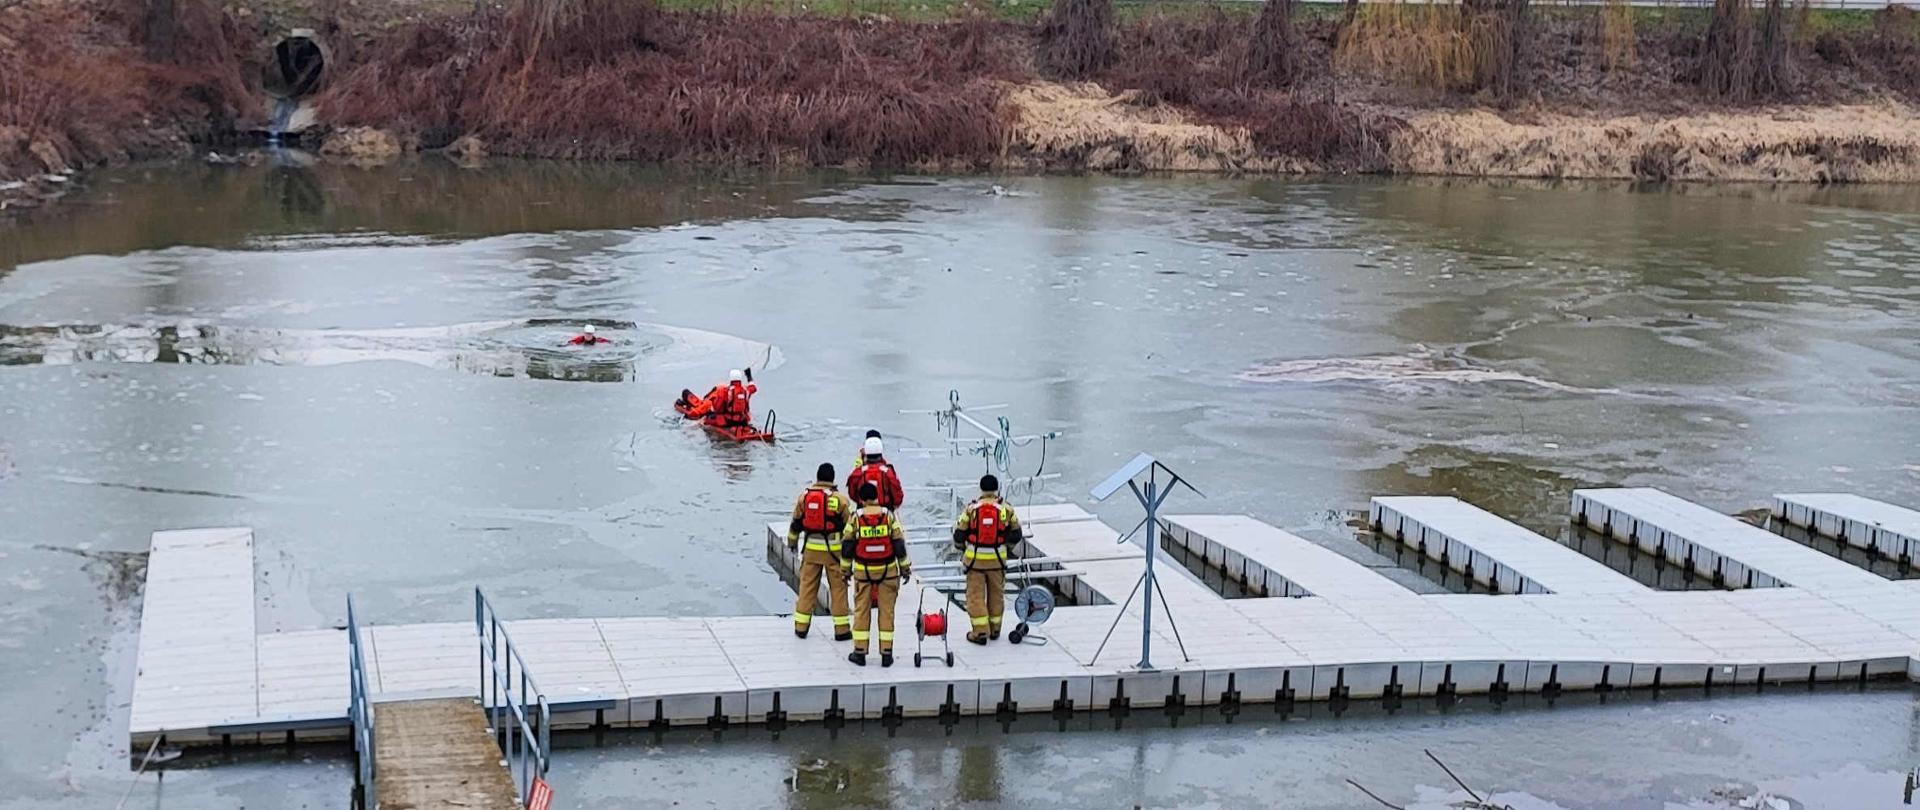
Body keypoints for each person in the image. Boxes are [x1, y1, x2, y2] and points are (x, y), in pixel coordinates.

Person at [842, 482, 909, 667]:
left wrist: (845, 571)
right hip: (887, 570)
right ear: (877, 497)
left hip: (863, 571)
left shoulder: (855, 518)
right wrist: (904, 568)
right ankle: (886, 654)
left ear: (861, 500)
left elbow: (847, 546)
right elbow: (898, 544)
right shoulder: (888, 516)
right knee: (887, 612)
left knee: (861, 611)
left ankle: (860, 652)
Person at [952, 474, 1024, 644]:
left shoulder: (971, 509)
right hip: (997, 560)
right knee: (996, 595)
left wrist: (962, 548)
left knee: (975, 596)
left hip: (974, 561)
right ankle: (995, 629)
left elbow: (959, 534)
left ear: (981, 489)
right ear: (996, 488)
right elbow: (1016, 534)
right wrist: (1006, 547)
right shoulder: (1006, 509)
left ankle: (980, 632)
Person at [787, 463, 852, 640]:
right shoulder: (840, 500)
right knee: (838, 591)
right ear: (832, 479)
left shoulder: (804, 498)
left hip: (810, 553)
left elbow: (795, 524)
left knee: (806, 589)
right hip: (834, 555)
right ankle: (841, 630)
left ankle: (801, 627)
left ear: (817, 478)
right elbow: (851, 528)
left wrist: (792, 543)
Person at [847, 436, 904, 511]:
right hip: (885, 511)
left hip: (863, 511)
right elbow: (897, 495)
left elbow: (852, 493)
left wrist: (862, 502)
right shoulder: (888, 472)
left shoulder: (858, 472)